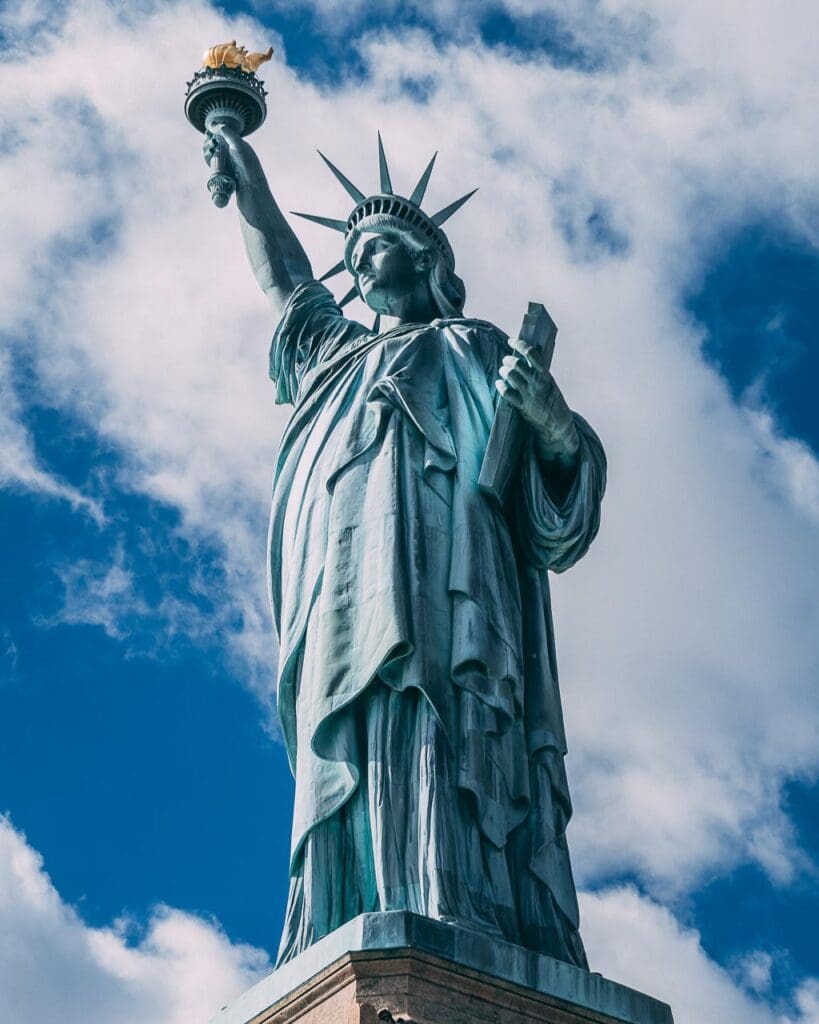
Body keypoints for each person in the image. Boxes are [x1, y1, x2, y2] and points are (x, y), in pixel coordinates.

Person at [204, 127, 606, 969]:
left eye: (375, 248)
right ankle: (354, 902)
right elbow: (285, 278)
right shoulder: (334, 357)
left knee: (451, 723)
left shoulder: (478, 348)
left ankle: (456, 894)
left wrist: (550, 420)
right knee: (356, 729)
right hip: (345, 586)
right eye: (351, 256)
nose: (358, 268)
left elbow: (558, 505)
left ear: (426, 261)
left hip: (455, 581)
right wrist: (245, 176)